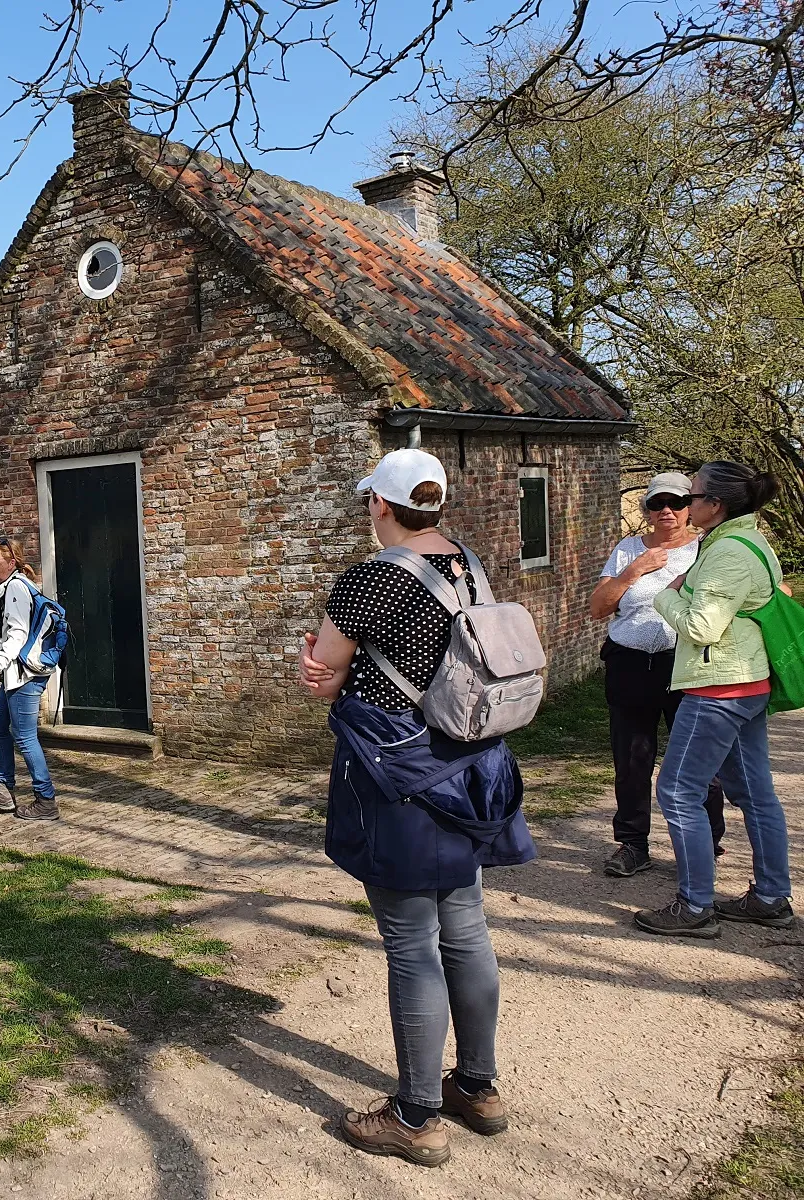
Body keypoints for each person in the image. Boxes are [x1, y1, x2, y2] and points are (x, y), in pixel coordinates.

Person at [298, 448, 534, 1167]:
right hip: (470, 766)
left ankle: (416, 1115)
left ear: (380, 504)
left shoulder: (370, 580)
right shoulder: (468, 565)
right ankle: (478, 1087)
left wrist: (319, 671)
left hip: (400, 773)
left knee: (410, 942)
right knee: (465, 927)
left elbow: (325, 671)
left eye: (369, 499)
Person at [634, 461, 795, 936]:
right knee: (756, 793)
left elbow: (703, 627)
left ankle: (695, 907)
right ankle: (771, 898)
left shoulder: (727, 553)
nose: (685, 504)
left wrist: (667, 595)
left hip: (718, 687)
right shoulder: (747, 541)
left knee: (678, 790)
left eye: (693, 496)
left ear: (716, 504)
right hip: (745, 682)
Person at [590, 472, 726, 877]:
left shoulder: (707, 548)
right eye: (657, 503)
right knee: (632, 759)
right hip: (630, 663)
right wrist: (634, 571)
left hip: (685, 666)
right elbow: (598, 607)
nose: (667, 510)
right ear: (647, 510)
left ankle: (705, 842)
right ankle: (633, 845)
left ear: (691, 508)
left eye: (677, 502)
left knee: (696, 760)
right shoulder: (628, 549)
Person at [0, 538, 58, 821]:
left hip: (25, 676)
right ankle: (4, 791)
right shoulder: (8, 588)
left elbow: (17, 635)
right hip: (15, 675)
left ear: (11, 563)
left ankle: (45, 799)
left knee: (24, 736)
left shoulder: (16, 588)